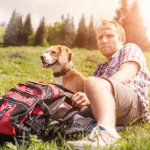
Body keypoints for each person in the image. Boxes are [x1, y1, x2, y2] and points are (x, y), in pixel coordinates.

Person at [67, 19, 150, 148]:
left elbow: (127, 73)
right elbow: (96, 95)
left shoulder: (130, 48)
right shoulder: (100, 69)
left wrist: (94, 89)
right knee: (61, 103)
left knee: (92, 82)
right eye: (100, 37)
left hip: (133, 104)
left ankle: (106, 135)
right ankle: (91, 126)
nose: (104, 40)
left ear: (122, 39)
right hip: (111, 109)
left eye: (110, 35)